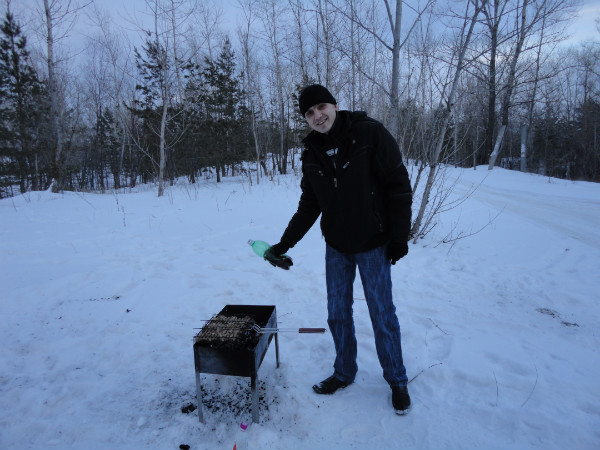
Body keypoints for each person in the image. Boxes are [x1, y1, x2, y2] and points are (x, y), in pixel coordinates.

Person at [265, 84, 413, 415]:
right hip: (336, 247)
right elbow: (310, 203)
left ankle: (397, 380)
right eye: (309, 112)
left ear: (334, 104)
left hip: (373, 243)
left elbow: (398, 185)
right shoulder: (311, 152)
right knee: (337, 313)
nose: (317, 115)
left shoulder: (369, 133)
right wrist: (285, 243)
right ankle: (344, 372)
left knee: (382, 314)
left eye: (321, 107)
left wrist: (399, 237)